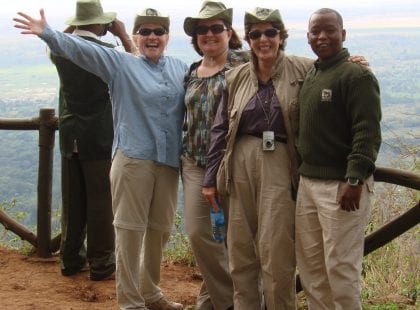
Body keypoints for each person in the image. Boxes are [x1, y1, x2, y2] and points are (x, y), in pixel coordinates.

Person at [13, 5, 187, 310]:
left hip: (168, 161)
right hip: (133, 158)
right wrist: (48, 33)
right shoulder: (119, 63)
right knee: (130, 231)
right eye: (144, 31)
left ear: (167, 36)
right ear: (135, 34)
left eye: (158, 31)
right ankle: (131, 302)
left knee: (159, 230)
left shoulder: (179, 69)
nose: (152, 36)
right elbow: (80, 51)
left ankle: (151, 292)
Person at [202, 7, 313, 309]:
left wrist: (358, 64)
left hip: (279, 162)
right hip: (239, 163)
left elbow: (336, 76)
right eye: (255, 34)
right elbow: (220, 129)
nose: (263, 39)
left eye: (270, 32)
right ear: (248, 39)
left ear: (281, 36)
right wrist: (210, 179)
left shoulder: (304, 69)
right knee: (240, 250)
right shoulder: (236, 77)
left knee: (276, 249)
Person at [295, 8, 381, 310]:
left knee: (340, 269)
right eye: (315, 31)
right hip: (308, 184)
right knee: (312, 269)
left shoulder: (356, 75)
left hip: (341, 187)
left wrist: (355, 178)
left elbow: (367, 131)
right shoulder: (313, 73)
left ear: (342, 34)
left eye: (329, 30)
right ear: (307, 38)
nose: (322, 36)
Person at [53, 0, 135, 282]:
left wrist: (71, 27)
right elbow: (138, 68)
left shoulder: (60, 52)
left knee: (73, 200)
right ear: (101, 24)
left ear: (77, 23)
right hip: (99, 137)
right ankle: (101, 264)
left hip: (69, 135)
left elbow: (54, 43)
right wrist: (123, 35)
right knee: (101, 202)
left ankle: (70, 259)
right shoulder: (107, 53)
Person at [181, 1, 248, 309]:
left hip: (233, 164)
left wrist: (350, 62)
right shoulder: (192, 72)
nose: (209, 34)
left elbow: (289, 69)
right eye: (202, 30)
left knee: (234, 239)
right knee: (200, 234)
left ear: (228, 32)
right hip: (195, 164)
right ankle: (231, 302)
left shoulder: (244, 63)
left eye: (216, 28)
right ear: (196, 37)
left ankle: (212, 301)